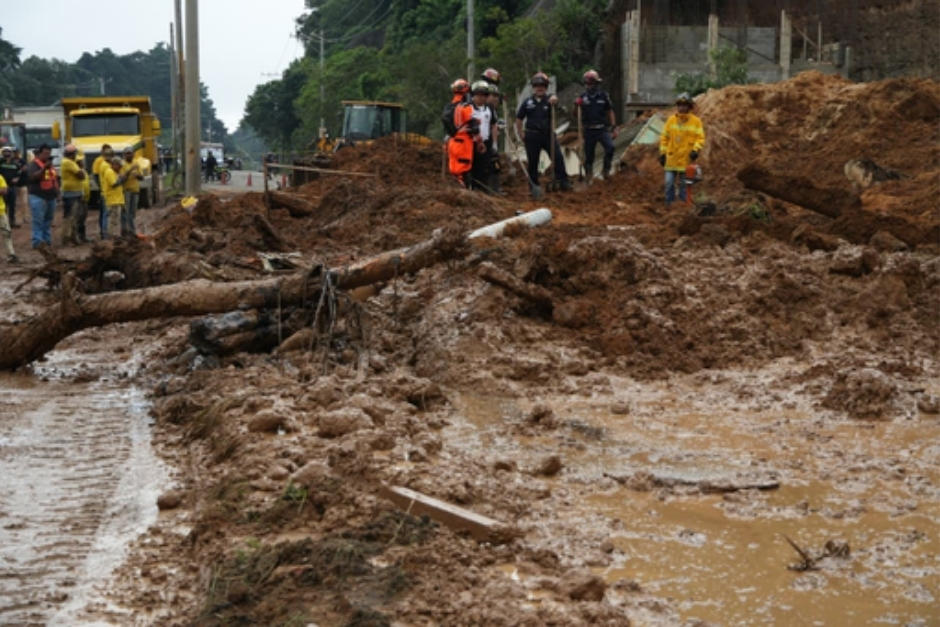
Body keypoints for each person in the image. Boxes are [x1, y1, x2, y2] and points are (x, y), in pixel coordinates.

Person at [515, 72, 571, 198]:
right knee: (533, 162)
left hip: (548, 135)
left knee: (558, 157)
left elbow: (559, 106)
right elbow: (519, 119)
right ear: (533, 87)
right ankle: (534, 186)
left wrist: (555, 101)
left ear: (546, 87)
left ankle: (563, 181)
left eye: (542, 86)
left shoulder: (550, 100)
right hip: (532, 136)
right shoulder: (527, 102)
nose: (539, 88)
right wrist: (521, 133)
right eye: (537, 85)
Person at [659, 92, 705, 206]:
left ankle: (683, 206)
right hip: (671, 158)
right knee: (669, 183)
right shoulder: (670, 121)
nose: (682, 107)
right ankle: (669, 205)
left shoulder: (696, 122)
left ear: (689, 107)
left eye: (684, 105)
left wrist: (695, 150)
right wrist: (663, 153)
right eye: (680, 105)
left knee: (684, 186)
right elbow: (664, 138)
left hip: (686, 159)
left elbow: (700, 138)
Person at [576, 69, 618, 182]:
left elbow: (610, 111)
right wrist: (576, 105)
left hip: (602, 129)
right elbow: (575, 114)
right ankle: (588, 174)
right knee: (589, 156)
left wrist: (614, 127)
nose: (591, 86)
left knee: (610, 148)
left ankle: (606, 171)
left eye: (593, 83)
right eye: (589, 83)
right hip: (589, 130)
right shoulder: (582, 97)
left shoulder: (604, 96)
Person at [446, 80, 480, 188]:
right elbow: (473, 126)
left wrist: (453, 132)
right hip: (464, 142)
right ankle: (464, 193)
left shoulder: (449, 106)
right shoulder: (465, 107)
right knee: (464, 170)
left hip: (453, 142)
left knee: (455, 170)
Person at [26, 144, 59, 249]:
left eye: (49, 153)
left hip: (50, 197)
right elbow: (33, 178)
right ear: (39, 153)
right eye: (45, 153)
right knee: (38, 220)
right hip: (38, 196)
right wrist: (44, 168)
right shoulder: (33, 165)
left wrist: (57, 193)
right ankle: (37, 242)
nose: (47, 155)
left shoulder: (51, 165)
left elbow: (54, 180)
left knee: (48, 220)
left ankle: (46, 241)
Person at [469, 81, 495, 192]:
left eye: (484, 95)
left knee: (485, 168)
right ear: (473, 95)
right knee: (471, 167)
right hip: (471, 142)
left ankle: (483, 190)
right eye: (478, 94)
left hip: (486, 142)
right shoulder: (468, 108)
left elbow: (493, 125)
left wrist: (494, 143)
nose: (481, 97)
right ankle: (471, 188)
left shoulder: (489, 108)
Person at [59, 144, 87, 245]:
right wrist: (81, 167)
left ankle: (72, 237)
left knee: (74, 217)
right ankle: (67, 238)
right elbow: (81, 175)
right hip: (71, 194)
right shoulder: (68, 163)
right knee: (70, 216)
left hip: (75, 192)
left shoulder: (70, 162)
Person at [100, 157, 130, 239]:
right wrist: (122, 178)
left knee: (115, 219)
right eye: (119, 166)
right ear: (114, 165)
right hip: (113, 200)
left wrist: (123, 177)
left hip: (117, 199)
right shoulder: (109, 172)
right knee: (112, 220)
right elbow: (114, 184)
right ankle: (110, 236)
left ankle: (112, 235)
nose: (120, 168)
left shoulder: (115, 172)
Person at [120, 148, 143, 236]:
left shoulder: (136, 163)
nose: (129, 155)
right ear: (124, 155)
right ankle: (126, 230)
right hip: (126, 190)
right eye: (127, 154)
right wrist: (129, 171)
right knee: (125, 211)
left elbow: (142, 177)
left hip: (135, 190)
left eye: (130, 153)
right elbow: (122, 179)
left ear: (133, 154)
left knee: (132, 212)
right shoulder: (122, 164)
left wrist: (138, 175)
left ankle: (131, 229)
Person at [93, 144, 114, 237]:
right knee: (105, 213)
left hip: (108, 191)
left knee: (105, 213)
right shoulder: (99, 161)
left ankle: (104, 232)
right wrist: (101, 187)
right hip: (104, 190)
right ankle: (104, 232)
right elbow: (96, 175)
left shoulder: (110, 162)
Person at [0, 146, 23, 229]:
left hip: (12, 187)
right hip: (3, 188)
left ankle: (12, 222)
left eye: (8, 152)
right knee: (4, 205)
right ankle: (3, 223)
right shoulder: (1, 162)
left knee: (12, 205)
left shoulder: (15, 163)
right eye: (5, 152)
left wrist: (17, 178)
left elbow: (19, 172)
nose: (7, 153)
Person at [0, 170, 17, 263]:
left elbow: (4, 190)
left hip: (1, 210)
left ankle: (11, 254)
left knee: (7, 232)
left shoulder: (0, 177)